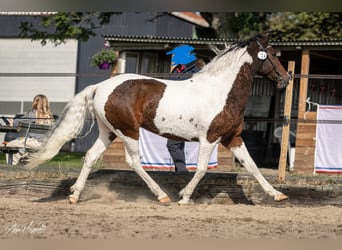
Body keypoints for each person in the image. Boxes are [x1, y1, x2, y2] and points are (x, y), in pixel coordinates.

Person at [166, 47, 205, 172]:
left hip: (187, 114)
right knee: (177, 144)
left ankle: (182, 172)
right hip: (174, 112)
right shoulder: (177, 71)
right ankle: (180, 171)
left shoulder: (196, 72)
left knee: (172, 144)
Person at [5, 94, 55, 165]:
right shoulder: (50, 117)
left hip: (35, 142)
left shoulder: (32, 114)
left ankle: (12, 165)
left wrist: (12, 122)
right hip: (45, 145)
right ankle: (21, 165)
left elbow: (19, 122)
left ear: (35, 102)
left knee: (10, 144)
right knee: (21, 148)